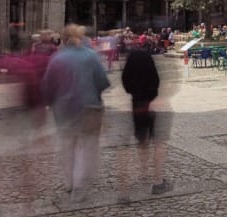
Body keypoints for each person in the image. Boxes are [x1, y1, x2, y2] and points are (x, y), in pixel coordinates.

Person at [41, 24, 111, 203]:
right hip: (88, 107)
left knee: (67, 146)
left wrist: (50, 102)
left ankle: (69, 181)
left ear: (64, 39)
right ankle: (80, 184)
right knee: (87, 147)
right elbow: (103, 82)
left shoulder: (56, 58)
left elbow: (48, 85)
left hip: (63, 109)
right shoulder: (91, 57)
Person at [120, 44, 171, 196]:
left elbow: (125, 80)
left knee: (141, 138)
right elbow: (156, 80)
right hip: (151, 103)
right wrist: (153, 95)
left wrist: (133, 92)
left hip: (136, 103)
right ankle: (158, 179)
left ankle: (143, 170)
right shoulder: (149, 61)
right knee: (157, 140)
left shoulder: (130, 62)